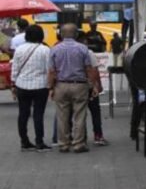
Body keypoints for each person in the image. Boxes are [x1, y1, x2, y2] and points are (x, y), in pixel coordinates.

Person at [48, 23, 101, 153]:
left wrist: (50, 88)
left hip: (61, 85)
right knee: (79, 115)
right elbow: (89, 69)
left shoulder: (54, 49)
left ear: (61, 34)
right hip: (79, 85)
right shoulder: (83, 49)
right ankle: (78, 144)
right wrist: (94, 85)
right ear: (76, 34)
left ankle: (63, 144)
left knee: (62, 116)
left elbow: (51, 71)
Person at [11, 25, 52, 151]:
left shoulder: (19, 49)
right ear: (41, 35)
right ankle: (39, 142)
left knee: (23, 113)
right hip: (40, 86)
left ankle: (24, 141)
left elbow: (15, 68)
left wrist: (13, 84)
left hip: (22, 85)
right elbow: (49, 70)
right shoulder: (45, 50)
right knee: (38, 114)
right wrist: (51, 86)